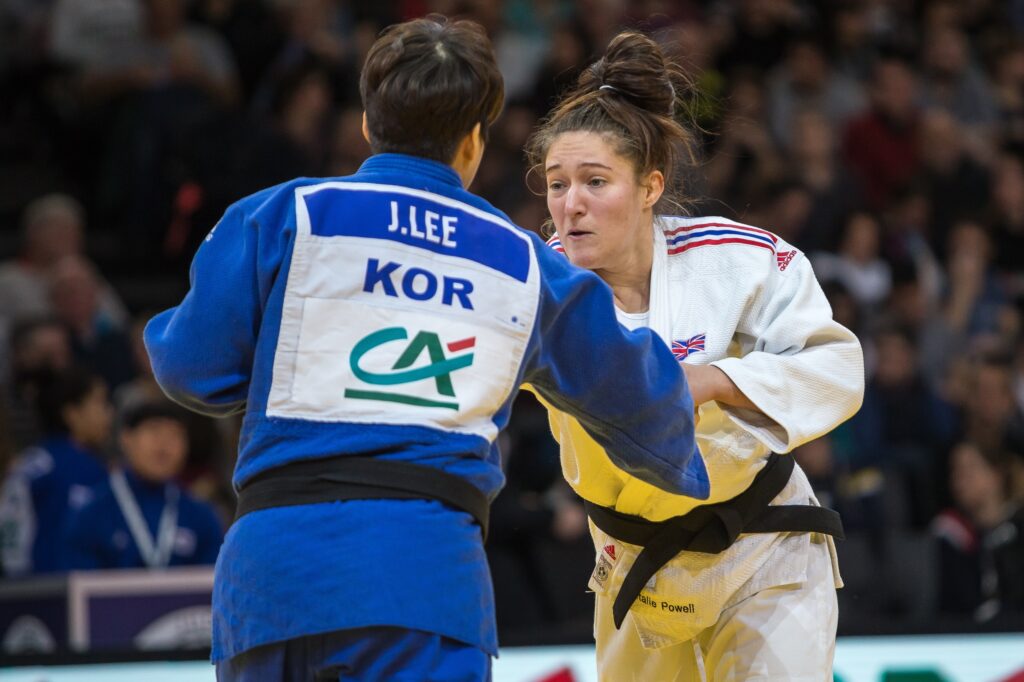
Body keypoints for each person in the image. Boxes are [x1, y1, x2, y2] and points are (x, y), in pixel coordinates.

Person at [144, 17, 707, 682]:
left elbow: (189, 369)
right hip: (422, 577)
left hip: (272, 580)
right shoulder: (525, 264)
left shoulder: (282, 216)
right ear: (473, 141)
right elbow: (645, 404)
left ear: (367, 124)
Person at [525, 32, 865, 680]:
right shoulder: (534, 289)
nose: (571, 205)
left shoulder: (735, 261)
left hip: (764, 544)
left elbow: (837, 369)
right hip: (634, 558)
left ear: (650, 186)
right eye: (557, 184)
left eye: (596, 181)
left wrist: (713, 380)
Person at [63, 399, 223, 570]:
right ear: (126, 438)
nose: (164, 444)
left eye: (175, 434)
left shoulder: (201, 516)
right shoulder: (91, 512)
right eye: (154, 430)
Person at [0, 366, 112, 575]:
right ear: (72, 414)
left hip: (68, 585)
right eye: (100, 402)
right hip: (51, 585)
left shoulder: (36, 459)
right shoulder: (59, 467)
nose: (109, 413)